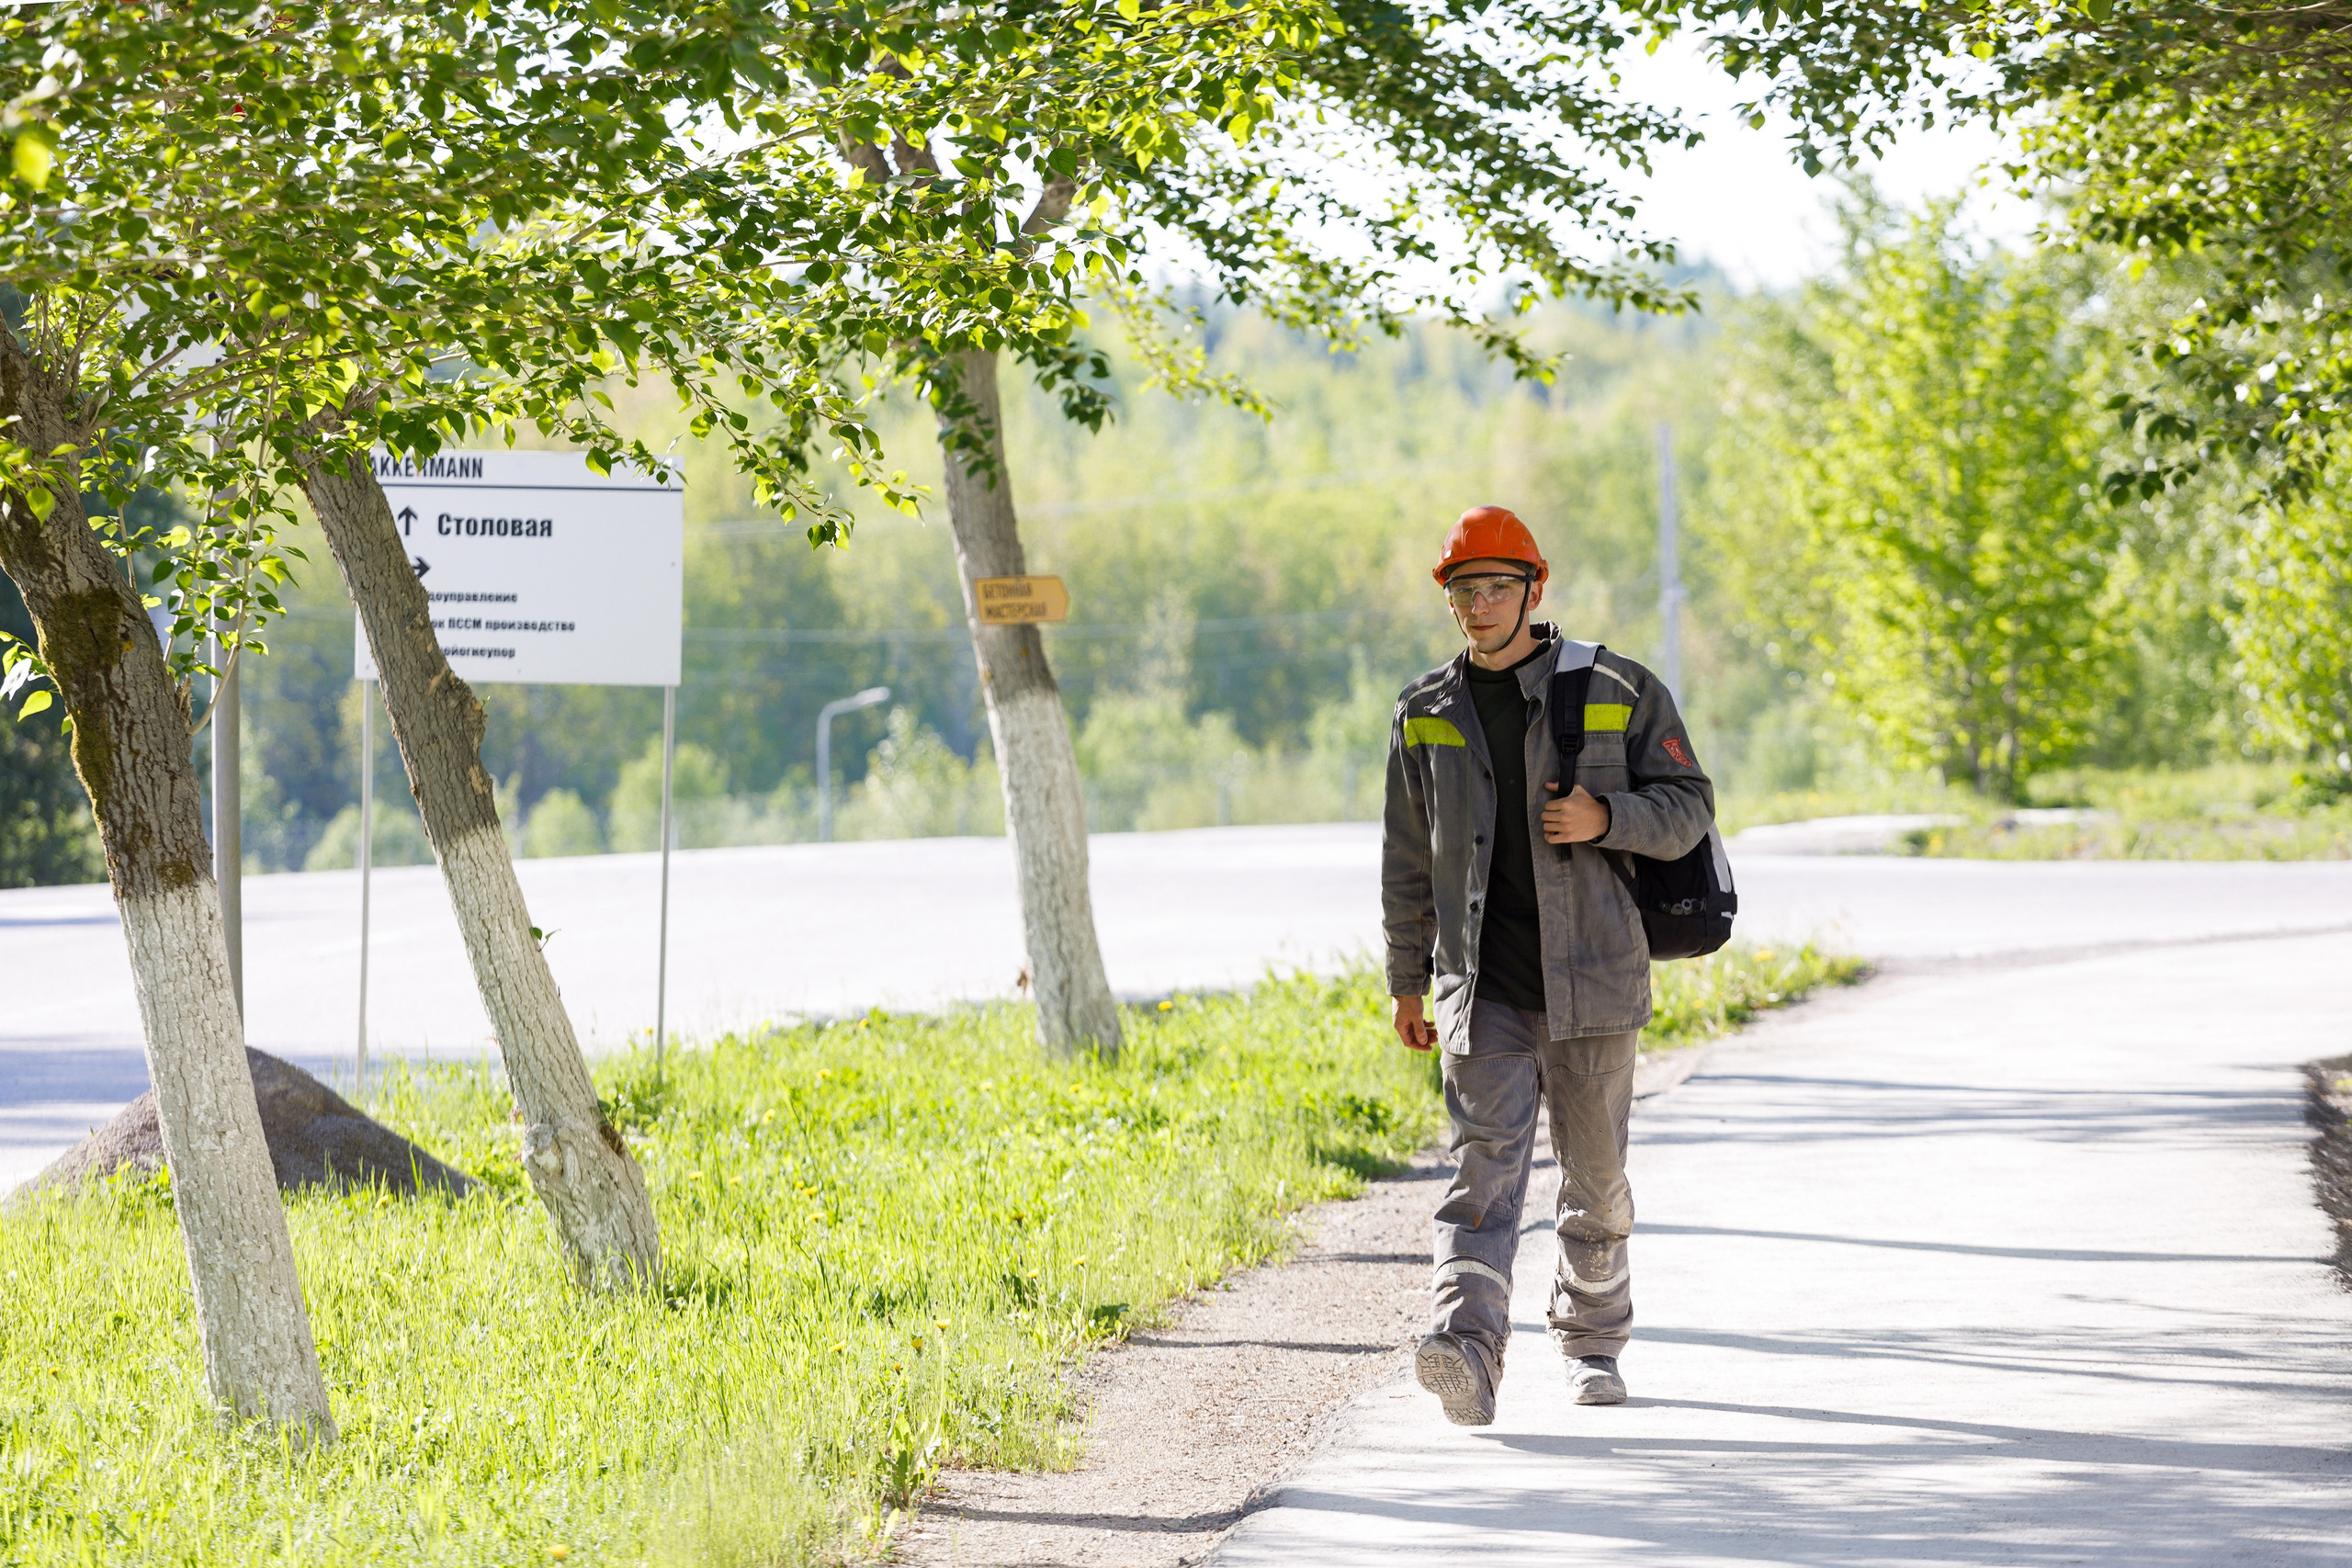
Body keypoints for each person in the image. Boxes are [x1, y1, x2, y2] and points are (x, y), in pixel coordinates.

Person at [1382, 504, 1714, 1424]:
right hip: (1478, 987)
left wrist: (1608, 819)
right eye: (1465, 589)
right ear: (1448, 599)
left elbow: (1690, 804)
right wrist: (1406, 979)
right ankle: (1465, 1348)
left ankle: (1592, 1341)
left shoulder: (1616, 687)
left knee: (1594, 1178)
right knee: (1481, 1175)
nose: (1482, 603)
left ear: (1534, 589)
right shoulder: (1424, 710)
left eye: (1499, 586)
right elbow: (1406, 859)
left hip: (1595, 979)